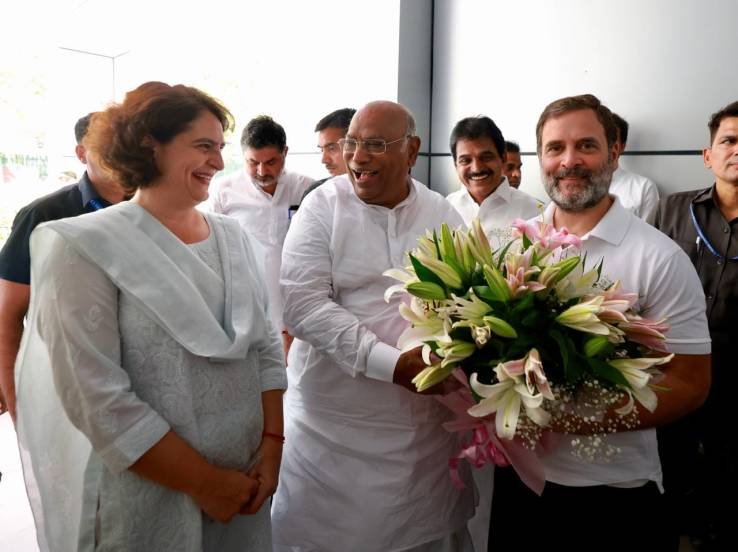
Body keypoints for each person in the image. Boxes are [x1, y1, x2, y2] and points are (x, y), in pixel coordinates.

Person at [14, 82, 286, 551]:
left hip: (246, 486)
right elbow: (95, 397)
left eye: (220, 149)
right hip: (147, 495)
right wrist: (206, 483)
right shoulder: (84, 245)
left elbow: (263, 347)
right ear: (149, 145)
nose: (220, 164)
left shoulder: (233, 237)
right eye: (203, 147)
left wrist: (272, 447)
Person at [488, 94, 711, 551]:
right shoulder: (513, 247)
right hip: (516, 481)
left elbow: (691, 381)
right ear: (540, 158)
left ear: (614, 153)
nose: (570, 161)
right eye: (555, 148)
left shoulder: (659, 257)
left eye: (586, 146)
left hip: (614, 492)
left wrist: (582, 417)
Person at [271, 101, 475, 551]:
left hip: (420, 433)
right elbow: (301, 305)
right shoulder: (322, 207)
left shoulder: (441, 213)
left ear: (412, 151)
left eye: (377, 144)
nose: (359, 157)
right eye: (353, 143)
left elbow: (469, 300)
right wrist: (393, 364)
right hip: (333, 430)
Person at [649, 100, 738, 550]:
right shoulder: (671, 211)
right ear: (708, 155)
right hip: (672, 367)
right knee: (669, 469)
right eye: (729, 141)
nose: (737, 151)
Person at [0, 113, 126, 421]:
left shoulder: (151, 210)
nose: (118, 156)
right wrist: (16, 400)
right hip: (63, 380)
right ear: (82, 153)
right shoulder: (42, 215)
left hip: (137, 379)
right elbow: (8, 312)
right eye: (104, 147)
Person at [208, 115, 313, 355]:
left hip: (297, 300)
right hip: (245, 301)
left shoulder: (307, 188)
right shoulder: (222, 191)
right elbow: (213, 250)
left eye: (271, 161)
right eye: (253, 162)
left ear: (285, 152)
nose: (262, 171)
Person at [446, 116, 541, 248]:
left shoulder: (534, 211)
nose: (476, 168)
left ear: (503, 157)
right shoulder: (445, 208)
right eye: (465, 160)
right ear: (455, 164)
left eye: (485, 157)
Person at [608, 112, 660, 219]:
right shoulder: (574, 185)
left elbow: (649, 233)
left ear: (621, 147)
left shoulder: (643, 187)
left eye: (611, 140)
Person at [301, 107, 355, 200]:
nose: (324, 160)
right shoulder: (316, 194)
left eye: (331, 148)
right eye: (322, 150)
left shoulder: (384, 192)